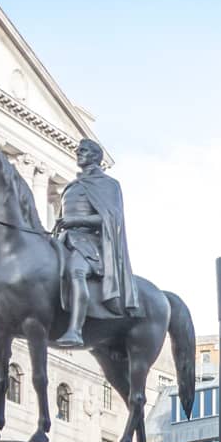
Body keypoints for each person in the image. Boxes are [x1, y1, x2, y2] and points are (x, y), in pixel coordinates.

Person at [52, 138, 139, 348]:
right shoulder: (72, 186)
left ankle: (75, 330)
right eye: (78, 151)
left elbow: (110, 219)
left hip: (90, 243)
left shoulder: (108, 184)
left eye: (83, 151)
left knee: (76, 272)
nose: (78, 153)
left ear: (95, 156)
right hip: (65, 240)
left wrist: (77, 221)